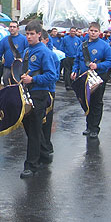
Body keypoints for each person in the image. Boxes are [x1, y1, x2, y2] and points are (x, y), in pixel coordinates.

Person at [18, 21, 58, 178]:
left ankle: (31, 165)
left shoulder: (44, 52)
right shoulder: (27, 51)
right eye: (27, 34)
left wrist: (33, 80)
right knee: (29, 127)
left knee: (34, 130)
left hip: (39, 93)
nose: (28, 36)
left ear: (39, 34)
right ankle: (44, 153)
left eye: (32, 34)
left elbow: (52, 76)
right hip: (27, 92)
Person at [71, 22, 111, 138]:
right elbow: (77, 59)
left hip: (98, 78)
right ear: (88, 31)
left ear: (99, 32)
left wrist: (98, 66)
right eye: (91, 31)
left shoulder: (105, 46)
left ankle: (95, 128)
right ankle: (88, 126)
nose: (93, 33)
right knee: (86, 102)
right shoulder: (82, 45)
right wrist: (74, 70)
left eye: (95, 31)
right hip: (84, 78)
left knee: (96, 103)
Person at [40, 30, 59, 161]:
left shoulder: (52, 55)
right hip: (36, 91)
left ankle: (46, 145)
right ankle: (44, 146)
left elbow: (54, 76)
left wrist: (37, 78)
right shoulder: (30, 52)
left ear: (46, 40)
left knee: (47, 120)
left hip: (48, 91)